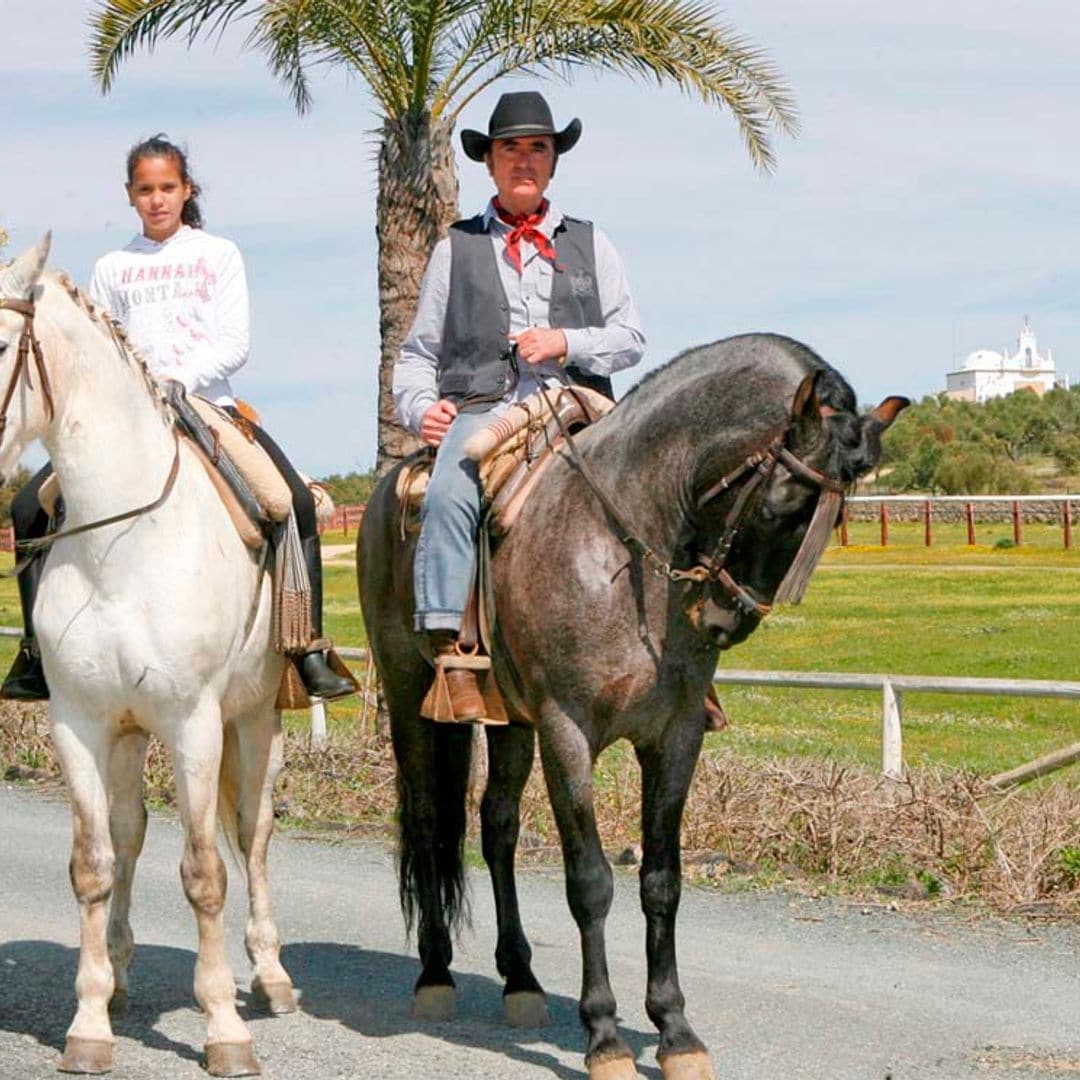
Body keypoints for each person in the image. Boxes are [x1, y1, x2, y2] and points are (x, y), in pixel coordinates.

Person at [1, 134, 355, 702]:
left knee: (292, 499)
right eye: (146, 190)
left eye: (168, 187)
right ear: (130, 195)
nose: (157, 199)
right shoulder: (114, 266)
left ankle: (305, 645)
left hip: (208, 403)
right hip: (130, 416)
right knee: (27, 506)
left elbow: (236, 342)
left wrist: (180, 381)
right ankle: (36, 654)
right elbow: (101, 347)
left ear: (187, 190)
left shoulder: (217, 254)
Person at [394, 91, 646, 722]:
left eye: (538, 147)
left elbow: (630, 338)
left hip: (579, 403)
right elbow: (418, 352)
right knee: (452, 484)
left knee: (654, 485)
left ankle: (678, 658)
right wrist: (420, 406)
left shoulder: (593, 244)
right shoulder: (456, 247)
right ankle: (450, 644)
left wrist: (568, 341)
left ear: (554, 161)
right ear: (490, 163)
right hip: (489, 406)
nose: (524, 160)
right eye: (511, 148)